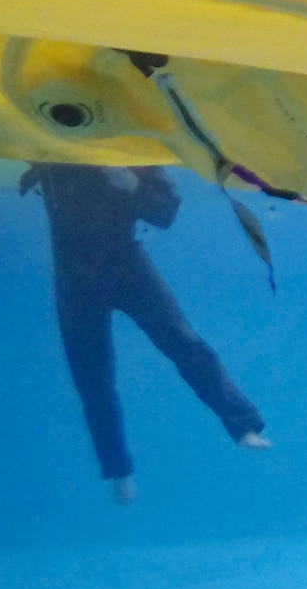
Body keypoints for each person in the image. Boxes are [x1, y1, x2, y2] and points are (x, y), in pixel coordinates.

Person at [21, 163, 269, 504]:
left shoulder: (129, 150)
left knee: (183, 342)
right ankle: (118, 468)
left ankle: (243, 425)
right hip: (74, 275)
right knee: (92, 377)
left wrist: (130, 184)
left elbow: (165, 213)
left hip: (125, 263)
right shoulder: (55, 153)